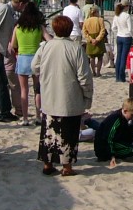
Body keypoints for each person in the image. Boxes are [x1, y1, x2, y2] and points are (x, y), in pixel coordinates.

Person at [36, 15, 93, 177]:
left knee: (49, 132)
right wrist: (87, 96)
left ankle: (47, 163)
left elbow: (35, 66)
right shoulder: (76, 48)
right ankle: (66, 166)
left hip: (49, 96)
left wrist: (45, 74)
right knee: (69, 132)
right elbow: (84, 77)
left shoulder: (46, 46)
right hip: (69, 97)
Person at [8, 1, 44, 126]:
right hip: (36, 59)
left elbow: (13, 45)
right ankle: (38, 116)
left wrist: (17, 52)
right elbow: (49, 39)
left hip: (23, 58)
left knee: (24, 90)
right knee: (37, 89)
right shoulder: (39, 27)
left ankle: (25, 118)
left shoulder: (18, 27)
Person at [88, 97, 133, 168]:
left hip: (114, 140)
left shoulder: (123, 116)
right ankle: (110, 155)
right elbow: (108, 138)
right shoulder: (116, 119)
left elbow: (124, 130)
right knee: (132, 150)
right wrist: (112, 155)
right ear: (125, 111)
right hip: (103, 147)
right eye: (132, 115)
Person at [111, 1, 133, 83]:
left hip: (119, 36)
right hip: (126, 36)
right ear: (126, 6)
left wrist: (118, 32)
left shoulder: (116, 15)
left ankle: (117, 77)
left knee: (119, 57)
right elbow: (130, 29)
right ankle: (122, 77)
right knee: (124, 57)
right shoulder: (127, 16)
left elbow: (113, 28)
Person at [82, 5, 107, 77]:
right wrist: (97, 39)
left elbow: (85, 32)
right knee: (100, 57)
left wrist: (90, 39)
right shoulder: (100, 20)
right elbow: (102, 31)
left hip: (91, 39)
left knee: (92, 57)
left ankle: (93, 72)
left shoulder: (86, 21)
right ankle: (98, 72)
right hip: (99, 40)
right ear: (96, 12)